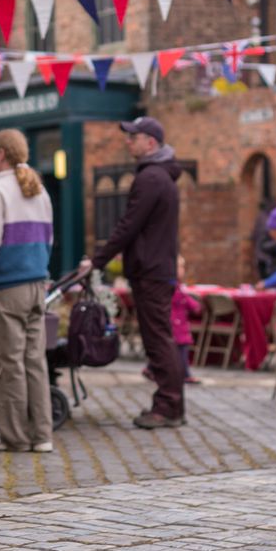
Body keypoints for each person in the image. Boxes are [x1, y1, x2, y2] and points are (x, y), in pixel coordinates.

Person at [80, 116, 185, 430]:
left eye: (133, 137)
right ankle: (171, 404)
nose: (128, 142)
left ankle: (168, 406)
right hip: (156, 268)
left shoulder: (151, 178)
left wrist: (97, 261)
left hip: (151, 271)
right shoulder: (158, 176)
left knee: (158, 341)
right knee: (159, 339)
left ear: (150, 142)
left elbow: (128, 226)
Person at [0, 129, 55, 453]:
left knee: (6, 363)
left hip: (5, 288)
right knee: (35, 361)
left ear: (2, 153)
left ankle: (14, 436)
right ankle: (42, 435)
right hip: (36, 285)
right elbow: (49, 241)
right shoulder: (39, 190)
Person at [171, 256, 202, 385]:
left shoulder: (174, 285)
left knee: (173, 349)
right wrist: (196, 306)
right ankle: (185, 374)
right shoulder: (175, 287)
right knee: (182, 349)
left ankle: (152, 368)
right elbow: (187, 301)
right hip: (177, 324)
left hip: (176, 323)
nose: (183, 270)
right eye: (181, 267)